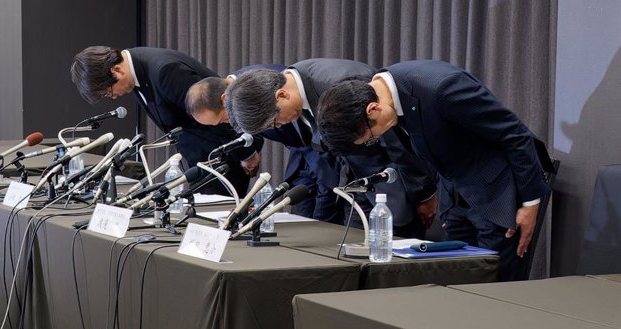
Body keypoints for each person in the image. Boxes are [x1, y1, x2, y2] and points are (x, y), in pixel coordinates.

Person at [316, 60, 552, 281]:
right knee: (458, 285)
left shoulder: (442, 88)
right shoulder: (389, 98)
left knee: (497, 288)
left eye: (369, 138)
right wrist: (449, 206)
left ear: (372, 109)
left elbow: (514, 134)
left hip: (500, 196)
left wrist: (531, 203)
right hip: (458, 199)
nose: (374, 140)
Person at [224, 59, 437, 237]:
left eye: (273, 122)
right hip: (357, 185)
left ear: (281, 95)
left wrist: (424, 194)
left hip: (395, 186)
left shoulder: (341, 85)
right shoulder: (297, 90)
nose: (279, 127)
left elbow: (398, 141)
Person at [70, 46, 261, 197]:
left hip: (222, 157)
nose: (112, 97)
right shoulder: (136, 71)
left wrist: (246, 153)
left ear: (117, 70)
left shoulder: (165, 72)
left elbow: (218, 110)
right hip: (201, 160)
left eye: (108, 92)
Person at [185, 69, 340, 222]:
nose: (226, 126)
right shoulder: (241, 96)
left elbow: (305, 117)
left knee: (326, 218)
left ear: (225, 99)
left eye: (220, 121)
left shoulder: (257, 88)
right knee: (303, 218)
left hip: (331, 155)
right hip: (304, 158)